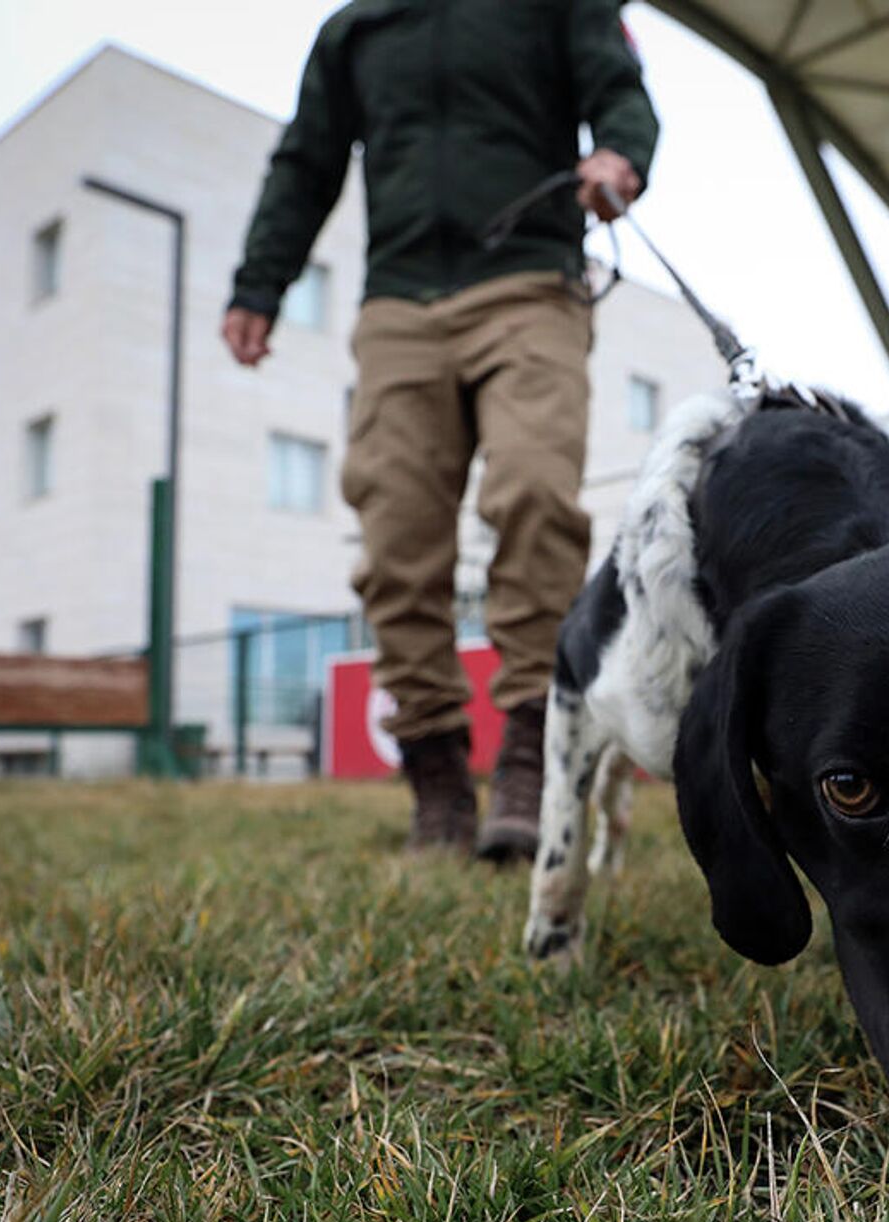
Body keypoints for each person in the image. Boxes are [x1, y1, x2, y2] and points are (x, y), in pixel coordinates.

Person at [223, 0, 658, 859]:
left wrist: (620, 153)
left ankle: (532, 755)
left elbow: (621, 89)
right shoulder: (355, 30)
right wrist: (258, 283)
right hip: (401, 303)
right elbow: (304, 162)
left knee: (534, 490)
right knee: (394, 538)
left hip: (532, 281)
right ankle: (437, 780)